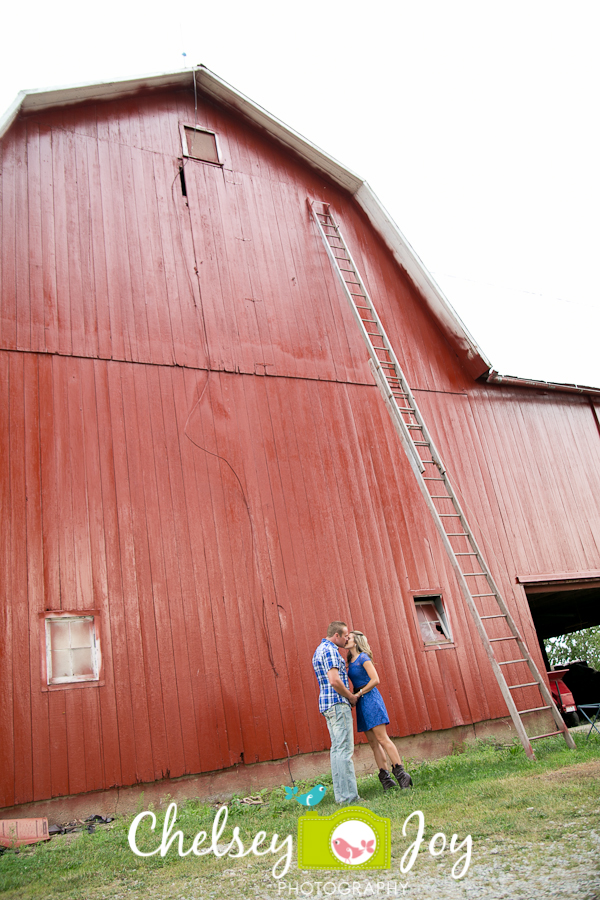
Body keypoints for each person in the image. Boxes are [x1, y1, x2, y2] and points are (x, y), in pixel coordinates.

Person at [346, 630, 412, 791]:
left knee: (382, 739)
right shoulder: (350, 659)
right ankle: (386, 779)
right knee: (373, 743)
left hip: (370, 699)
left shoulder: (363, 657)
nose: (346, 639)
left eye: (349, 638)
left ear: (356, 642)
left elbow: (375, 679)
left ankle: (401, 773)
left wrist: (359, 693)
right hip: (361, 701)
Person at [312, 621, 360, 804]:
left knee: (337, 750)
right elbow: (334, 680)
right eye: (345, 635)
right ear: (336, 635)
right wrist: (351, 697)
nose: (348, 638)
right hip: (338, 704)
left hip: (327, 705)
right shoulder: (331, 650)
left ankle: (342, 796)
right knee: (344, 750)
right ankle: (349, 798)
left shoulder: (319, 650)